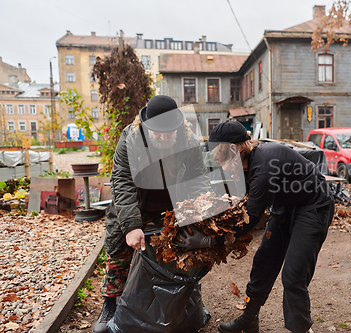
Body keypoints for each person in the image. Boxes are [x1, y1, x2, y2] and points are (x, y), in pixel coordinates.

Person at [181, 120, 335, 333]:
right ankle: (249, 319)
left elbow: (250, 219)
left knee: (293, 274)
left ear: (235, 149)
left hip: (313, 206)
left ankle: (301, 329)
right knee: (264, 262)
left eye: (220, 153)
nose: (217, 159)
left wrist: (208, 240)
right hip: (285, 206)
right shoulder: (242, 164)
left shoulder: (263, 167)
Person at [93, 95, 210, 333]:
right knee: (118, 249)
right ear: (146, 127)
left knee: (178, 252)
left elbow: (199, 181)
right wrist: (132, 226)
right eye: (159, 133)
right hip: (134, 202)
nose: (164, 138)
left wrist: (194, 216)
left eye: (169, 133)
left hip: (170, 206)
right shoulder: (130, 138)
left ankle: (185, 304)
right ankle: (111, 305)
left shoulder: (188, 141)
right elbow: (122, 181)